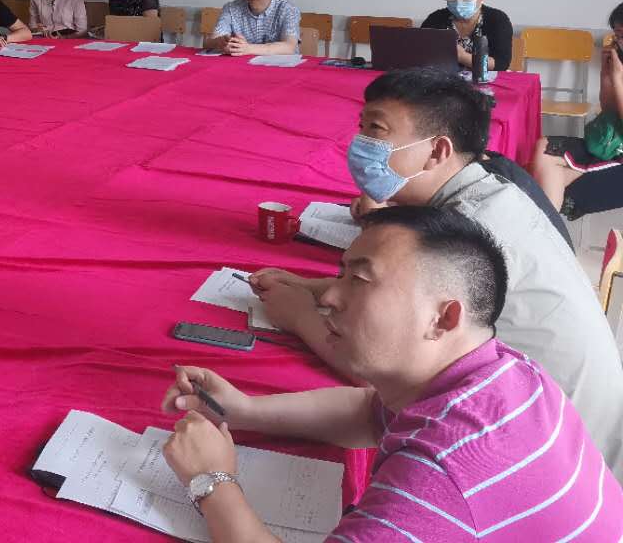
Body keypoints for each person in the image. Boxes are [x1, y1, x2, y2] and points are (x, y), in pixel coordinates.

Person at [161, 206, 623, 541]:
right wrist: (244, 410)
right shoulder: (502, 370)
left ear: (443, 318)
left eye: (360, 281)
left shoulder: (447, 470)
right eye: (341, 275)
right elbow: (370, 411)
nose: (329, 297)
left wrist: (211, 481)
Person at [251, 67, 623, 472]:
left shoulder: (467, 233)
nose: (360, 145)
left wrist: (300, 316)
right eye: (362, 128)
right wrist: (310, 287)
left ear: (437, 151)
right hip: (574, 418)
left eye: (377, 131)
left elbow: (382, 364)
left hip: (552, 451)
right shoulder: (491, 189)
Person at [531, 1, 623, 215]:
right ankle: (546, 225)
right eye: (618, 35)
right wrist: (606, 76)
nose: (619, 41)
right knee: (544, 148)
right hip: (609, 144)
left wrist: (618, 79)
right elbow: (609, 110)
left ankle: (545, 226)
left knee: (552, 181)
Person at [420, 0, 513, 71]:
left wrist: (462, 57)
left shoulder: (497, 20)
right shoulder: (435, 19)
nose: (458, 1)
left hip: (484, 80)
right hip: (442, 79)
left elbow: (501, 63)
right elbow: (420, 56)